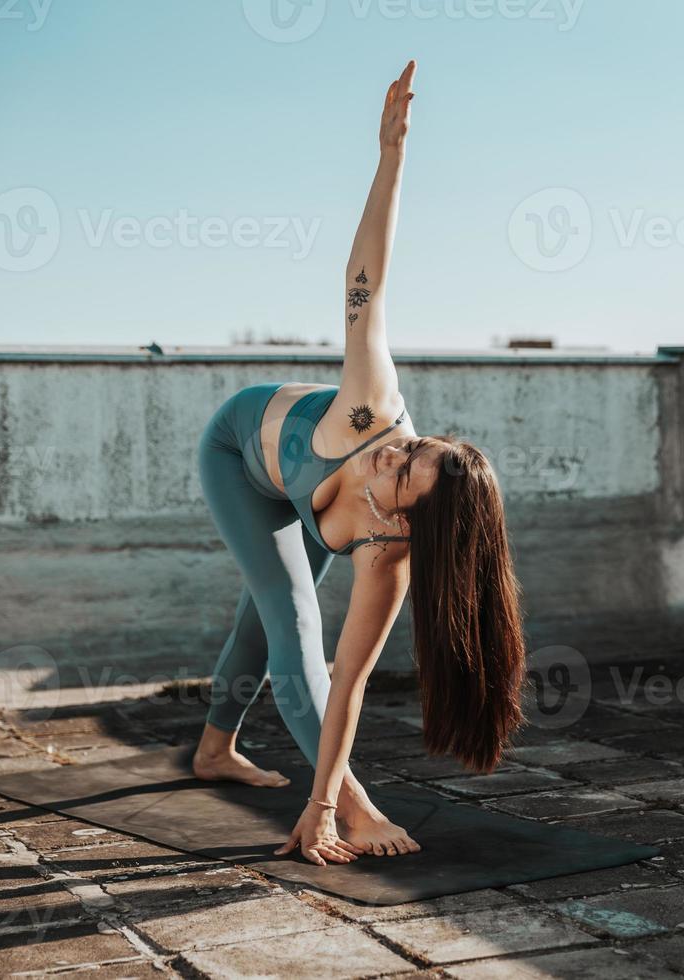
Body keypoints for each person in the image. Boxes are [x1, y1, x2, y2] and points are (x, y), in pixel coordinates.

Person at [190, 61, 526, 865]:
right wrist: (392, 156)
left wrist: (315, 801)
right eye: (414, 445)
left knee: (266, 620)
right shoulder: (373, 407)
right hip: (241, 453)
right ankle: (359, 805)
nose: (394, 452)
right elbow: (365, 285)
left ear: (409, 518)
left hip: (305, 499)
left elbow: (350, 682)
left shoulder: (389, 558)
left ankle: (211, 750)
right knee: (289, 619)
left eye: (402, 468)